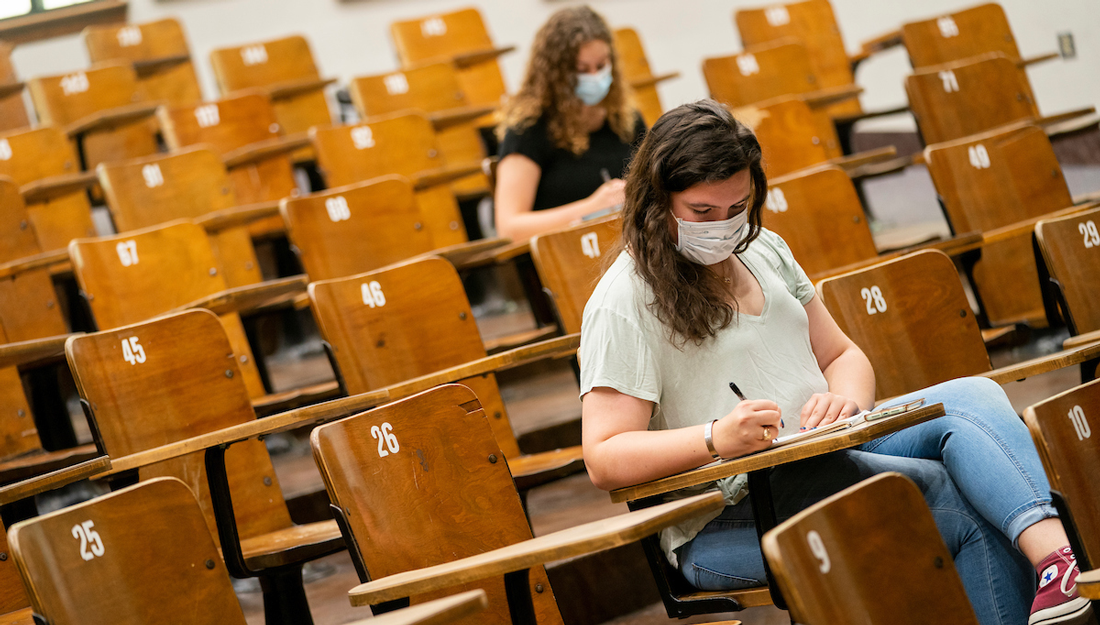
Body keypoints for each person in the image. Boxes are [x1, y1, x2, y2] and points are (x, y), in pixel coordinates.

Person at [579, 99, 1091, 625]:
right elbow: (604, 456)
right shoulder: (624, 301)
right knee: (960, 504)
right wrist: (715, 438)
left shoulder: (763, 248)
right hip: (733, 511)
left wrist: (846, 398)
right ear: (655, 202)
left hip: (827, 447)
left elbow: (842, 354)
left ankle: (1059, 565)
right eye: (702, 213)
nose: (724, 227)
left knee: (972, 397)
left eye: (737, 208)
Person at [494, 6, 645, 241]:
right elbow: (509, 228)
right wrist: (592, 207)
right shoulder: (529, 129)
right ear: (555, 73)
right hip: (569, 255)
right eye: (582, 70)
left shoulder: (625, 118)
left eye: (602, 65)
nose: (595, 76)